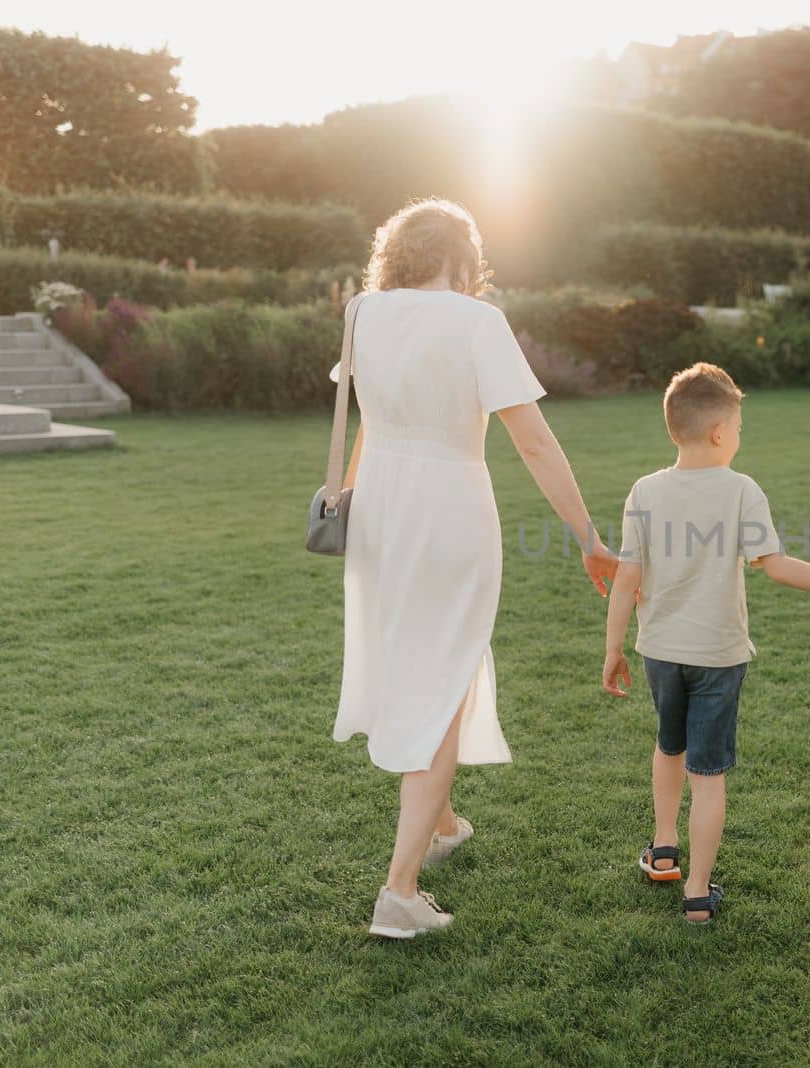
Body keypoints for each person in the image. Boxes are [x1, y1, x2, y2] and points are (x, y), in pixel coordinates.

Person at [331, 198, 619, 939]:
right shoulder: (475, 321)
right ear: (462, 261)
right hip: (448, 508)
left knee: (424, 662)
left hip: (379, 511)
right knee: (447, 674)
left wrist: (350, 506)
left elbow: (365, 418)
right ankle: (399, 891)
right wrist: (588, 535)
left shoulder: (364, 311)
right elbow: (534, 442)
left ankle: (444, 822)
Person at [601, 363, 810, 923]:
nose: (739, 437)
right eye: (738, 427)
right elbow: (778, 566)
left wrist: (613, 646)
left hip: (659, 652)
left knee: (669, 746)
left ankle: (664, 849)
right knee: (707, 775)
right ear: (719, 432)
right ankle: (696, 892)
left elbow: (626, 575)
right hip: (718, 656)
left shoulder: (644, 490)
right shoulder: (741, 491)